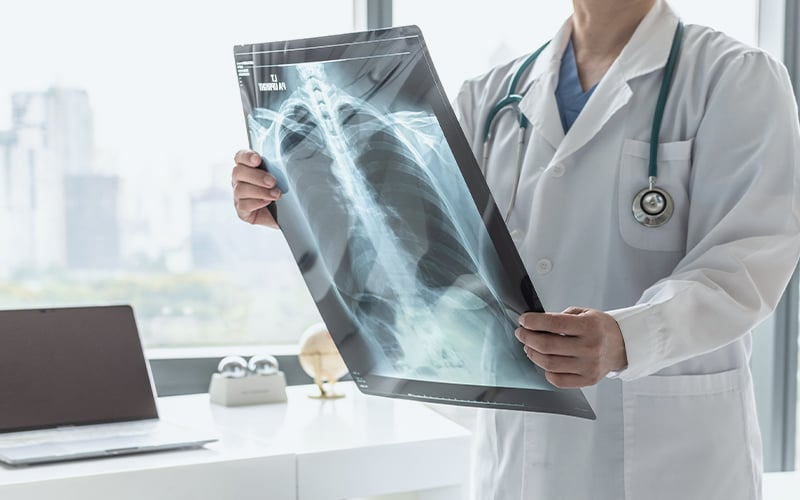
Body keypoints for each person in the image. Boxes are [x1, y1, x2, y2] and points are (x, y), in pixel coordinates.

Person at [231, 0, 800, 498]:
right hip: (518, 457)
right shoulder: (490, 96)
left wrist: (627, 338)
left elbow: (747, 262)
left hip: (667, 460)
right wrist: (298, 206)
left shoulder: (733, 78)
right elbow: (432, 252)